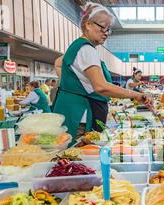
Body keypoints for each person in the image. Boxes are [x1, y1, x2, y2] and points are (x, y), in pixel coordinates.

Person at [52, 2, 152, 139]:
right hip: (80, 118)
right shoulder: (87, 49)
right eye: (102, 28)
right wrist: (135, 95)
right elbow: (101, 87)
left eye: (108, 30)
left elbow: (58, 63)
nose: (106, 33)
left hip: (69, 112)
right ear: (88, 24)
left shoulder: (77, 47)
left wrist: (74, 86)